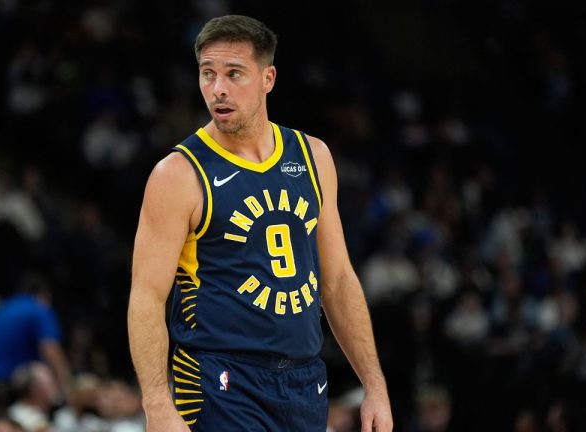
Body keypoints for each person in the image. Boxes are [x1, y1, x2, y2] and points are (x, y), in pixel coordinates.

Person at [127, 14, 393, 431]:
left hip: (305, 380)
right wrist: (157, 404)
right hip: (219, 379)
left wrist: (374, 385)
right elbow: (146, 297)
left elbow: (338, 279)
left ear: (268, 78)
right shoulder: (177, 174)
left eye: (234, 74)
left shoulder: (312, 156)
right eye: (208, 74)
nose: (218, 89)